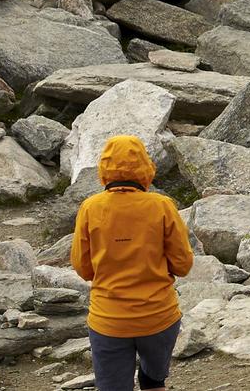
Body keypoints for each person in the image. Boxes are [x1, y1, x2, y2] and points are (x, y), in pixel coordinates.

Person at [71, 133, 192, 391]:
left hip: (109, 320)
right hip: (159, 317)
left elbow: (82, 268)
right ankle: (151, 382)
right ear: (146, 168)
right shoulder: (162, 206)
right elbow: (183, 265)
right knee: (153, 380)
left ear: (104, 170)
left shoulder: (90, 208)